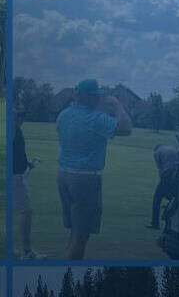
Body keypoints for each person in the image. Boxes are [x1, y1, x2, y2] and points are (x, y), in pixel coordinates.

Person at [56, 78, 132, 259]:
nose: (99, 99)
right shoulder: (96, 118)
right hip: (85, 179)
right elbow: (126, 128)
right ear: (88, 97)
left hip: (63, 174)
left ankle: (68, 258)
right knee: (82, 235)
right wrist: (119, 106)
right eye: (96, 96)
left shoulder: (64, 115)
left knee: (75, 228)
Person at [13, 102, 44, 259]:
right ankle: (27, 252)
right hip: (15, 177)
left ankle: (10, 249)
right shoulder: (13, 130)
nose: (22, 118)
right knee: (25, 211)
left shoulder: (16, 130)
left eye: (23, 115)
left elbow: (17, 153)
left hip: (15, 174)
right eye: (20, 115)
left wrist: (27, 164)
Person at [147, 142, 179, 230]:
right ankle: (171, 221)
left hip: (168, 173)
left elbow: (160, 169)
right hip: (178, 173)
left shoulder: (156, 152)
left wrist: (162, 182)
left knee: (157, 198)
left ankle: (155, 223)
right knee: (175, 197)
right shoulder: (173, 148)